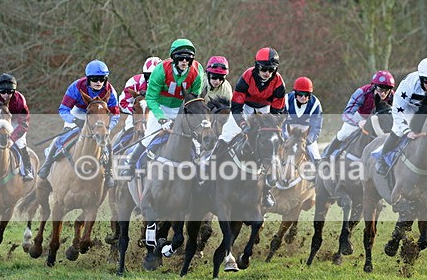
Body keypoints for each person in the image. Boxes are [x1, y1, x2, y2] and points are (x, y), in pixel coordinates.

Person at [211, 47, 287, 208]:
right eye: (264, 69)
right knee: (226, 134)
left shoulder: (279, 83)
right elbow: (236, 106)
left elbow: (276, 111)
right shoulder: (246, 76)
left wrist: (270, 125)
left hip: (265, 111)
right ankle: (209, 169)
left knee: (272, 145)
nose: (267, 72)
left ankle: (266, 190)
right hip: (244, 108)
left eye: (271, 70)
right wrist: (243, 124)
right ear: (257, 66)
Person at [121, 39, 205, 177]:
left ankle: (201, 174)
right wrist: (161, 119)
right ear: (174, 58)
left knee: (195, 141)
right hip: (160, 107)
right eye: (181, 58)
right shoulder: (160, 70)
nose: (185, 61)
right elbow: (151, 99)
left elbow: (194, 99)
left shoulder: (197, 72)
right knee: (148, 138)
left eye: (188, 58)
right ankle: (130, 165)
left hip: (181, 108)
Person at [37, 60, 120, 185]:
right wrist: (74, 120)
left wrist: (107, 128)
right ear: (88, 79)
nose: (98, 82)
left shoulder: (110, 92)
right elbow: (63, 109)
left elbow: (115, 115)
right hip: (79, 111)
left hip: (99, 115)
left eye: (102, 79)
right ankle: (47, 165)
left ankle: (108, 172)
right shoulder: (76, 87)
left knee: (107, 143)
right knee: (62, 138)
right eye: (94, 79)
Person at [375, 57, 427, 176]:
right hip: (407, 109)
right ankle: (382, 158)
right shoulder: (408, 84)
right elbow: (397, 110)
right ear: (420, 78)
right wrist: (406, 130)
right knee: (398, 130)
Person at [324, 70, 395, 158]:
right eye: (380, 89)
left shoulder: (392, 96)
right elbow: (346, 114)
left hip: (378, 120)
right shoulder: (362, 93)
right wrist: (358, 122)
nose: (383, 93)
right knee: (343, 134)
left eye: (387, 90)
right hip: (360, 117)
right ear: (374, 86)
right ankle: (326, 156)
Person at [283, 76, 323, 162]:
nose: (303, 97)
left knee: (315, 155)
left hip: (306, 132)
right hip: (289, 130)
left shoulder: (315, 104)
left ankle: (318, 171)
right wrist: (285, 137)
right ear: (295, 93)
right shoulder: (286, 100)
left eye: (307, 95)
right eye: (300, 94)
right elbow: (281, 122)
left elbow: (316, 128)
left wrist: (307, 141)